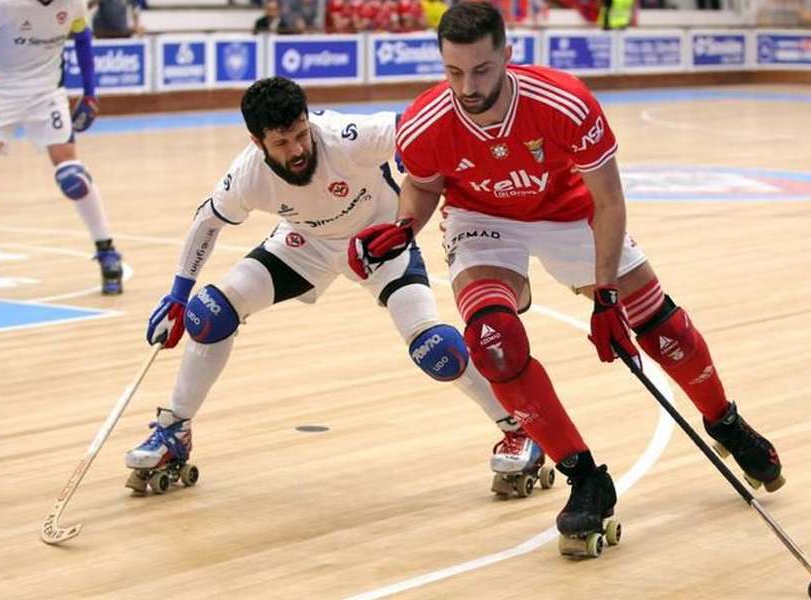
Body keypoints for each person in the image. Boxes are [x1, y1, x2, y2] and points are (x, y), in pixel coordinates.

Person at [349, 2, 784, 556]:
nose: (468, 86)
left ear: (507, 55)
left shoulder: (564, 102)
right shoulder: (424, 121)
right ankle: (584, 477)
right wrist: (403, 224)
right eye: (454, 72)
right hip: (482, 222)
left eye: (481, 70)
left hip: (568, 214)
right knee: (493, 345)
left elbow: (608, 199)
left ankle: (724, 421)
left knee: (660, 328)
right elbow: (426, 185)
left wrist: (604, 294)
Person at [124, 77, 552, 498]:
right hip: (304, 245)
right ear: (258, 143)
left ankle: (519, 430)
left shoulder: (346, 137)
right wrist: (179, 295)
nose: (296, 150)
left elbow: (416, 125)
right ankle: (174, 430)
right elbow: (206, 222)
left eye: (299, 134)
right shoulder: (248, 174)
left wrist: (418, 158)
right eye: (281, 143)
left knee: (437, 349)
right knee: (209, 313)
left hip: (378, 244)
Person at [0, 0, 123, 294]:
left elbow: (83, 40)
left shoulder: (74, 3)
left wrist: (90, 93)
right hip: (1, 90)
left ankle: (107, 251)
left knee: (73, 179)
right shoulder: (6, 4)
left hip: (47, 94)